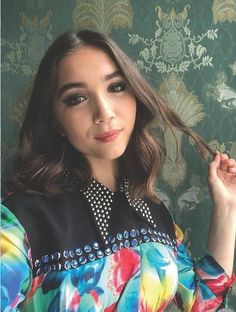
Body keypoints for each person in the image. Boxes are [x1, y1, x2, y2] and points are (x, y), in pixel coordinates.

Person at [1, 29, 235, 312]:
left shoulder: (154, 212)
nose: (105, 112)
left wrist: (227, 205)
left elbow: (201, 304)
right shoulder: (19, 222)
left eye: (116, 87)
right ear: (55, 121)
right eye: (77, 98)